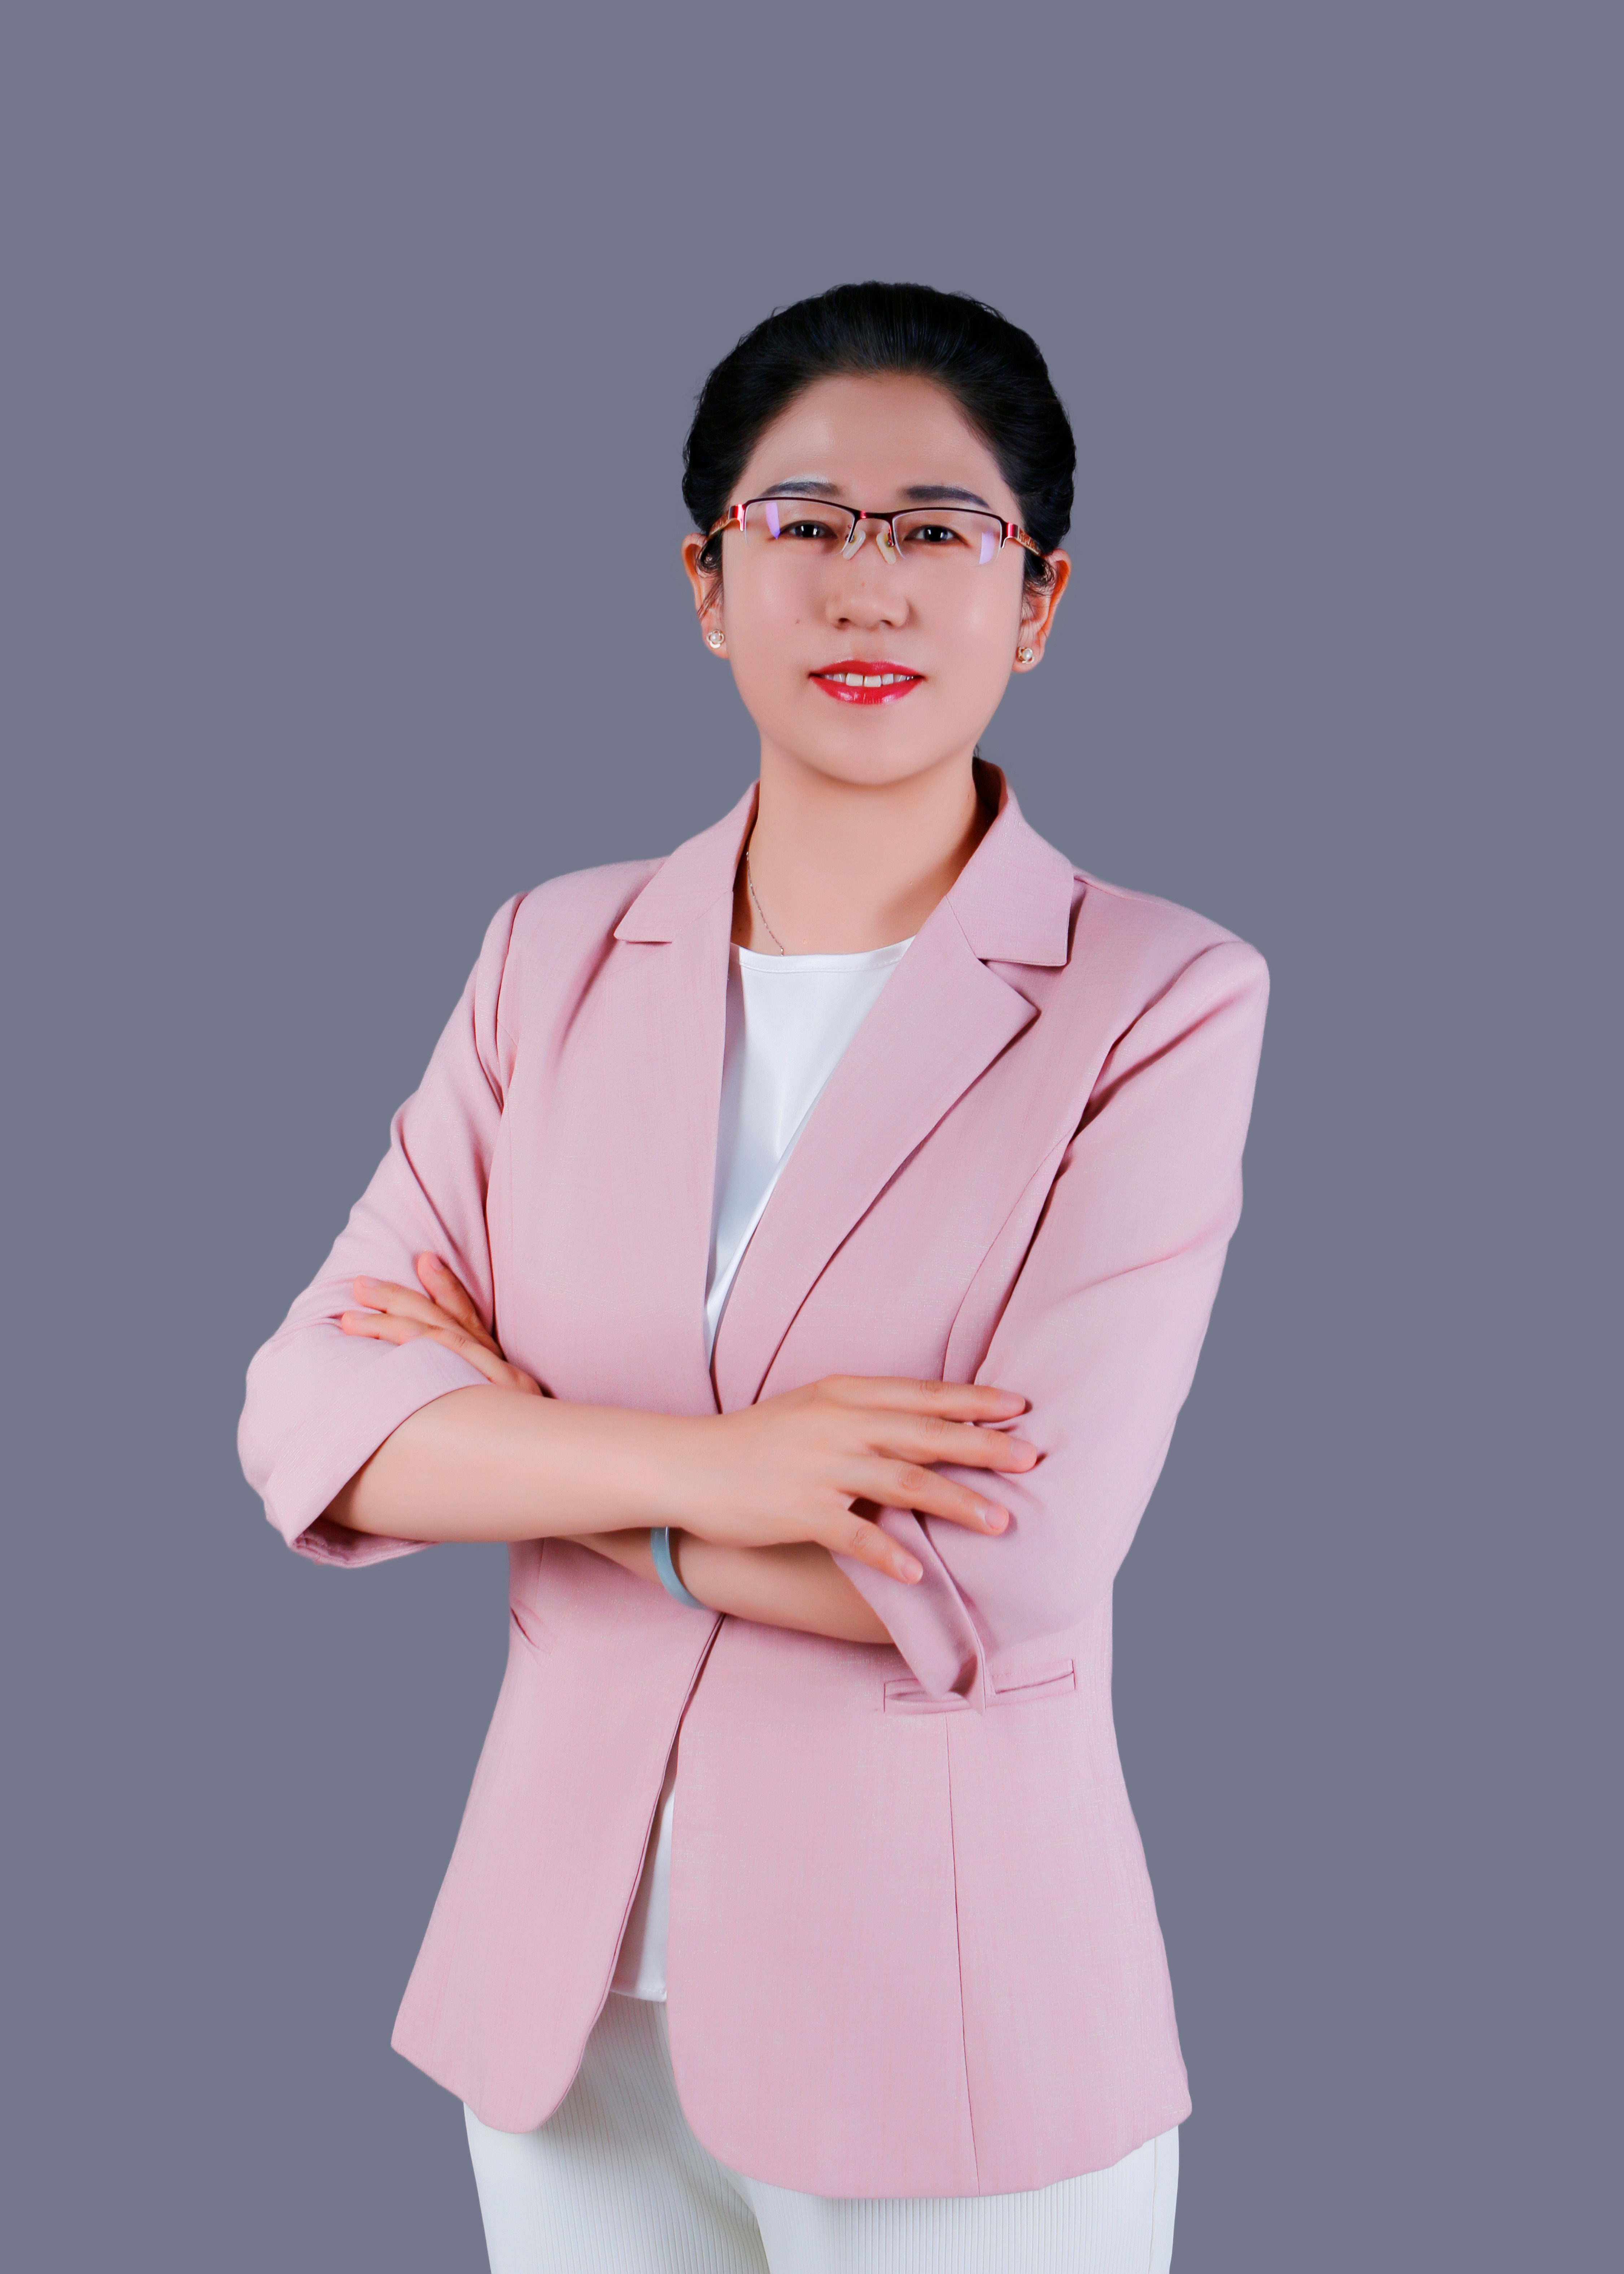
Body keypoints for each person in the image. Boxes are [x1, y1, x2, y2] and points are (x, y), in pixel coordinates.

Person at [239, 280, 1268, 2273]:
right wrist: (731, 1470)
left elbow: (1001, 1570)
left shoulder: (1156, 997)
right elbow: (310, 1412)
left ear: (1038, 601)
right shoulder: (549, 954)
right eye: (802, 523)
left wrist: (527, 1454)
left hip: (944, 2015)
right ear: (708, 583)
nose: (866, 586)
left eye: (938, 530)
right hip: (560, 2006)